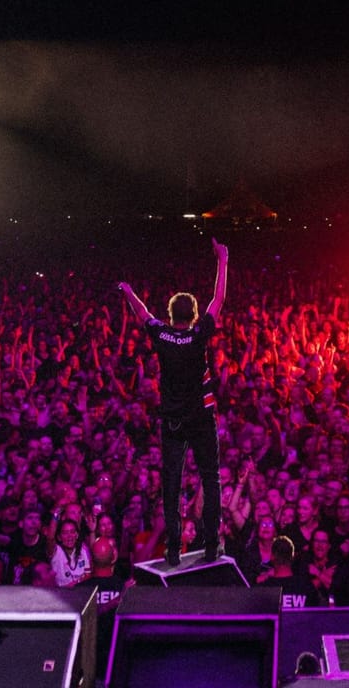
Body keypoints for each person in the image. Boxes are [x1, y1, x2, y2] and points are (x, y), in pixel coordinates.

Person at [119, 239, 229, 566]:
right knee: (211, 479)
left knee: (171, 483)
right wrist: (222, 260)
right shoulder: (199, 336)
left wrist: (127, 290)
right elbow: (218, 298)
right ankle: (211, 546)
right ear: (194, 315)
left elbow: (142, 313)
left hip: (172, 422)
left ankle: (172, 548)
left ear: (170, 315)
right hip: (200, 419)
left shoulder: (162, 336)